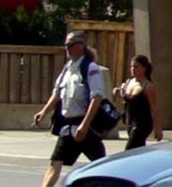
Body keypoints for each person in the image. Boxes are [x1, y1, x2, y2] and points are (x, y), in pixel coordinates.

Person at [32, 32, 112, 187]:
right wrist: (43, 112)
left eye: (70, 45)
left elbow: (97, 97)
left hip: (85, 127)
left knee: (101, 164)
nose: (67, 48)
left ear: (81, 46)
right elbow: (57, 94)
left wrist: (85, 125)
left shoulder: (90, 67)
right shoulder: (67, 69)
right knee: (55, 162)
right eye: (66, 45)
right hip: (68, 127)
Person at [120, 53, 163, 149]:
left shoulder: (148, 87)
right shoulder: (129, 82)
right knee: (137, 152)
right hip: (130, 122)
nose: (133, 69)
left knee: (129, 151)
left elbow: (155, 108)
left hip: (142, 124)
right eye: (131, 67)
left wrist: (158, 129)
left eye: (136, 67)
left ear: (144, 68)